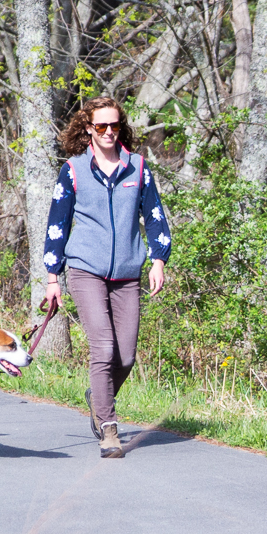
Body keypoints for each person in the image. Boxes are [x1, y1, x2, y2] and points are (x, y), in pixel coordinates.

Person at [40, 97, 171, 457]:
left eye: (114, 125)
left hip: (128, 272)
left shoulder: (138, 168)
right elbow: (57, 225)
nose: (109, 131)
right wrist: (53, 277)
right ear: (88, 129)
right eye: (101, 126)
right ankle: (109, 427)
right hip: (85, 269)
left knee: (125, 357)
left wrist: (158, 260)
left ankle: (98, 396)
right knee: (103, 347)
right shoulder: (73, 170)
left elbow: (155, 216)